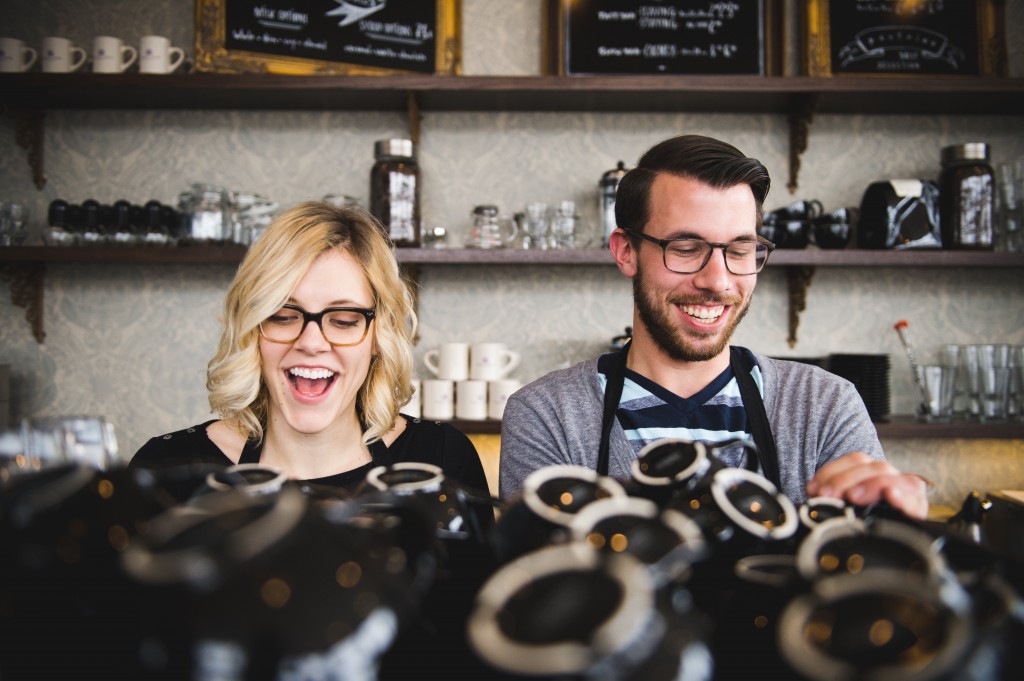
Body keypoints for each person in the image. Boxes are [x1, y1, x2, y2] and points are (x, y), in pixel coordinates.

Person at [499, 135, 928, 519]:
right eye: (686, 248)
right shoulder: (547, 414)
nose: (717, 281)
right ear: (626, 251)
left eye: (741, 250)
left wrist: (896, 527)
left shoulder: (825, 406)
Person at [132, 201, 488, 494]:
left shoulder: (440, 461)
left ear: (379, 335)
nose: (312, 343)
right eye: (283, 316)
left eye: (344, 319)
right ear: (251, 330)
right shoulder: (167, 469)